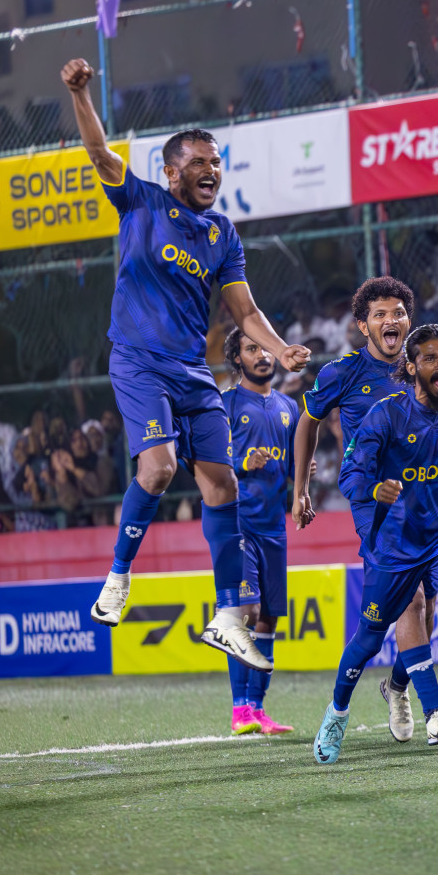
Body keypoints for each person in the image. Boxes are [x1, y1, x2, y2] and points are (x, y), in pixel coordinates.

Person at [61, 58, 310, 673]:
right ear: (170, 172)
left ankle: (228, 616)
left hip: (192, 370)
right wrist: (81, 94)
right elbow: (96, 150)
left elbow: (244, 310)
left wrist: (279, 349)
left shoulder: (222, 233)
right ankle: (119, 577)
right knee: (160, 466)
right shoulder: (139, 202)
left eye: (216, 161)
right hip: (139, 361)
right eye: (198, 161)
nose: (211, 170)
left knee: (221, 484)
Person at [292, 276, 438, 746]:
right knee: (412, 603)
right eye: (379, 314)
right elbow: (307, 423)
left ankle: (398, 685)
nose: (390, 320)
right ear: (363, 325)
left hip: (434, 505)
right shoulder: (341, 373)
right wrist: (300, 489)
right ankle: (434, 711)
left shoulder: (431, 363)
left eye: (397, 312)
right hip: (379, 505)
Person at [220, 326, 301, 737]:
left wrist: (302, 481)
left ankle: (256, 709)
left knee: (268, 619)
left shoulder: (289, 407)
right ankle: (238, 710)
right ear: (238, 358)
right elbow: (205, 461)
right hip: (239, 524)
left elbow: (293, 466)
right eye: (252, 349)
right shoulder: (225, 405)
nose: (262, 355)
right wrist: (239, 463)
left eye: (266, 349)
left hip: (274, 527)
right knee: (246, 612)